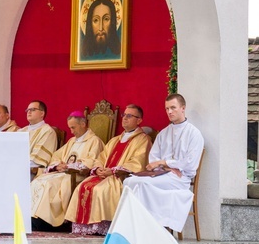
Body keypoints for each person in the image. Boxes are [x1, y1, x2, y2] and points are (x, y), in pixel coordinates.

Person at [65, 104, 152, 236]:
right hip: (104, 175)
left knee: (100, 190)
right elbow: (102, 157)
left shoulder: (143, 140)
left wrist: (112, 171)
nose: (125, 118)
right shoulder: (115, 140)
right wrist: (99, 169)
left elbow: (138, 162)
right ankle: (86, 228)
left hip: (120, 177)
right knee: (82, 186)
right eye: (124, 115)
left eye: (129, 116)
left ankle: (102, 227)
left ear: (139, 120)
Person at [123, 93, 204, 233]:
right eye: (167, 109)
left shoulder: (194, 134)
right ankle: (136, 226)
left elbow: (189, 164)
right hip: (162, 175)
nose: (169, 112)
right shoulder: (163, 133)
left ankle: (149, 227)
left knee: (143, 184)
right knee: (129, 182)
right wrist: (168, 166)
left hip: (180, 178)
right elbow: (152, 160)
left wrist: (164, 163)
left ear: (183, 108)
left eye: (173, 108)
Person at [31, 111, 104, 231]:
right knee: (38, 181)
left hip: (77, 175)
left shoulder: (94, 141)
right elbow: (56, 156)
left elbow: (93, 161)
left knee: (49, 184)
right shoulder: (71, 141)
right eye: (70, 128)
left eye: (73, 127)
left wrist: (71, 166)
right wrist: (58, 165)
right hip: (64, 173)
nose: (71, 131)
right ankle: (33, 217)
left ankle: (48, 221)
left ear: (83, 124)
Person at [19, 100, 57, 171]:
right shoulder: (21, 131)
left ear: (42, 113)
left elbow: (36, 162)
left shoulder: (48, 131)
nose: (29, 112)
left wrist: (17, 166)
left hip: (30, 172)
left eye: (33, 109)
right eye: (28, 110)